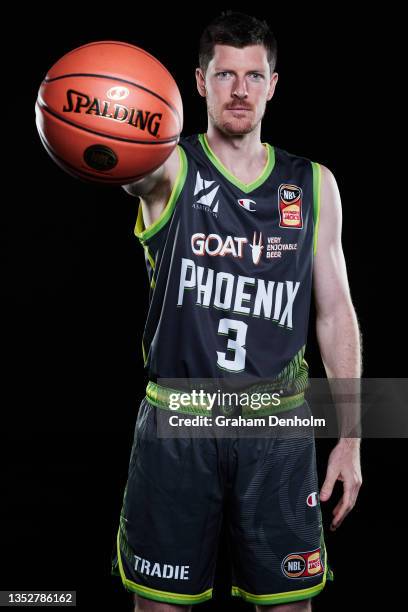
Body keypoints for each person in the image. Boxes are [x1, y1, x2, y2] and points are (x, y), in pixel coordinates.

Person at [111, 10, 362, 611]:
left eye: (254, 76)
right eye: (225, 75)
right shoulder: (168, 167)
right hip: (180, 422)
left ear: (274, 83)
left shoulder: (313, 184)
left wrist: (351, 437)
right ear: (200, 82)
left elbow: (334, 314)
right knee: (159, 606)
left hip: (276, 427)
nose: (240, 90)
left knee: (289, 605)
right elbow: (124, 160)